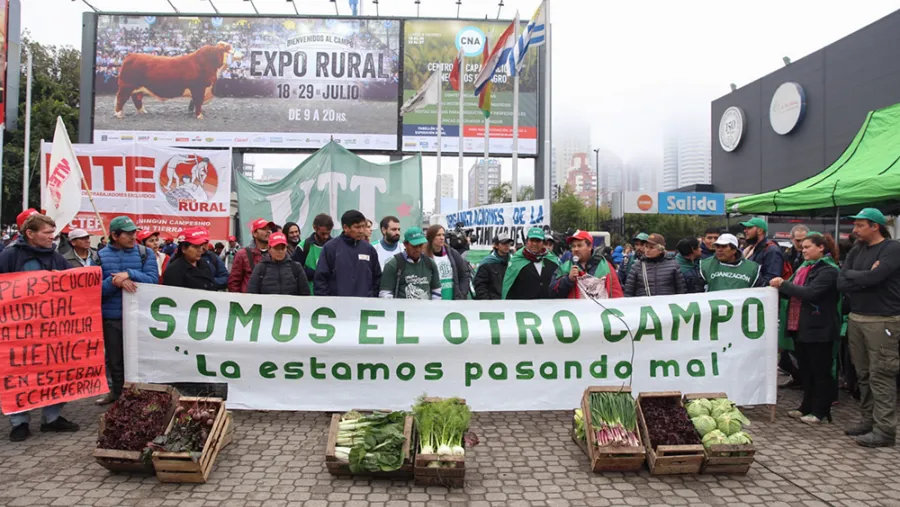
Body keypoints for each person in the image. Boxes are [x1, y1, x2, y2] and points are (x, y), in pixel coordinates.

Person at [0, 214, 80, 442]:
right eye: (46, 233)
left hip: (51, 331)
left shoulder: (55, 257)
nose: (51, 237)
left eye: (52, 232)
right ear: (30, 234)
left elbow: (75, 283)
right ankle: (19, 422)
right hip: (18, 331)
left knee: (55, 372)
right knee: (18, 374)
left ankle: (52, 418)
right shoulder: (10, 255)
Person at [837, 208, 900, 448]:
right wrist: (862, 275)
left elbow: (877, 278)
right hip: (857, 318)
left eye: (860, 225)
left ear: (875, 225)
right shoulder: (857, 249)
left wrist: (858, 277)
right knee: (862, 374)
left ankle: (885, 430)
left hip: (883, 320)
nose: (855, 230)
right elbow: (841, 281)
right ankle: (868, 420)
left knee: (881, 374)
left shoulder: (892, 249)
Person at [770, 233, 841, 425]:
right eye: (802, 247)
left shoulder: (829, 271)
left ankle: (820, 411)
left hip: (820, 329)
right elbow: (795, 292)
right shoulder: (805, 268)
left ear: (821, 248)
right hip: (801, 327)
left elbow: (810, 293)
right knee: (807, 371)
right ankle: (806, 406)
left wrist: (784, 284)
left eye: (808, 247)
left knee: (820, 372)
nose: (803, 250)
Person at [97, 216, 159, 405]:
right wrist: (114, 282)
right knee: (115, 361)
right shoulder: (99, 256)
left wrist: (130, 274)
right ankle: (117, 394)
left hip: (139, 316)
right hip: (112, 317)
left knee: (140, 358)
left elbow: (152, 280)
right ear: (115, 235)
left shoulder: (145, 253)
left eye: (134, 232)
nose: (134, 236)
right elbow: (94, 289)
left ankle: (139, 395)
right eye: (128, 233)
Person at [314, 210, 382, 297]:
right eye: (357, 227)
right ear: (345, 227)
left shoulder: (369, 249)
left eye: (363, 226)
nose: (361, 231)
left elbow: (377, 279)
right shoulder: (330, 248)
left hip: (364, 305)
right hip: (337, 306)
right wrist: (327, 303)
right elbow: (321, 280)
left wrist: (371, 298)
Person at [550, 230, 624, 299]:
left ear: (589, 247)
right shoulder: (565, 267)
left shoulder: (605, 266)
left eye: (579, 245)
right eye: (573, 246)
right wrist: (567, 280)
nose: (576, 249)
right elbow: (552, 293)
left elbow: (616, 294)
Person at [379, 227, 441, 300]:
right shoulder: (393, 264)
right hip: (402, 310)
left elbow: (436, 291)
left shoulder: (430, 263)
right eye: (414, 246)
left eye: (420, 245)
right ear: (405, 244)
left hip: (426, 309)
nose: (418, 249)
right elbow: (385, 294)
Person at [502, 227, 560, 300]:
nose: (534, 244)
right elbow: (508, 286)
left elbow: (559, 284)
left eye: (538, 241)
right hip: (523, 308)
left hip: (548, 308)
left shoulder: (552, 260)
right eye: (532, 240)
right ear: (527, 241)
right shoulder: (516, 260)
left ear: (543, 243)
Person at [228, 218, 274, 293]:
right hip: (249, 302)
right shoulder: (242, 254)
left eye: (269, 229)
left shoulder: (276, 252)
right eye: (263, 229)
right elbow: (234, 282)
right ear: (254, 234)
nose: (268, 231)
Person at [425, 224, 471, 300]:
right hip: (433, 302)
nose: (442, 238)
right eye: (438, 235)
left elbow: (464, 274)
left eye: (443, 235)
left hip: (452, 300)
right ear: (431, 237)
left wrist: (462, 294)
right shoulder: (424, 255)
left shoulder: (452, 253)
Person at [741, 217, 788, 286]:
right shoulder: (751, 249)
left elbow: (771, 280)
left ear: (760, 230)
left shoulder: (771, 250)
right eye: (745, 228)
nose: (745, 230)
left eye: (749, 227)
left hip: (761, 294)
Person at [294, 213, 333, 294]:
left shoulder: (335, 246)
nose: (326, 237)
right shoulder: (303, 246)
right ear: (315, 228)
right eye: (323, 234)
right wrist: (313, 274)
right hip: (309, 296)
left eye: (328, 233)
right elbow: (294, 270)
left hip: (330, 296)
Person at [473, 233, 515, 300]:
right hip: (493, 303)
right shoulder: (487, 263)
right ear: (496, 245)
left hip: (511, 302)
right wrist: (488, 302)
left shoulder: (514, 261)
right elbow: (480, 286)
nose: (507, 245)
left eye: (508, 243)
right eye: (503, 243)